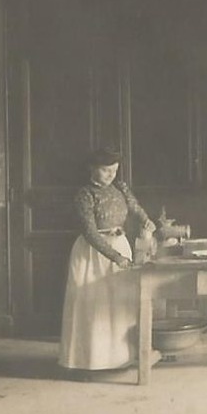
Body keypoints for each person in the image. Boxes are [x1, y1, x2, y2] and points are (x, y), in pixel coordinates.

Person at [58, 147, 156, 373]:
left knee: (118, 303)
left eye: (114, 170)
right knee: (93, 304)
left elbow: (135, 208)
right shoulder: (84, 195)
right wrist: (116, 257)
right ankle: (90, 361)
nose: (111, 175)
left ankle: (120, 358)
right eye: (105, 170)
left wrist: (146, 221)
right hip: (93, 254)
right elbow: (90, 233)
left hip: (120, 244)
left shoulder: (120, 187)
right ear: (91, 169)